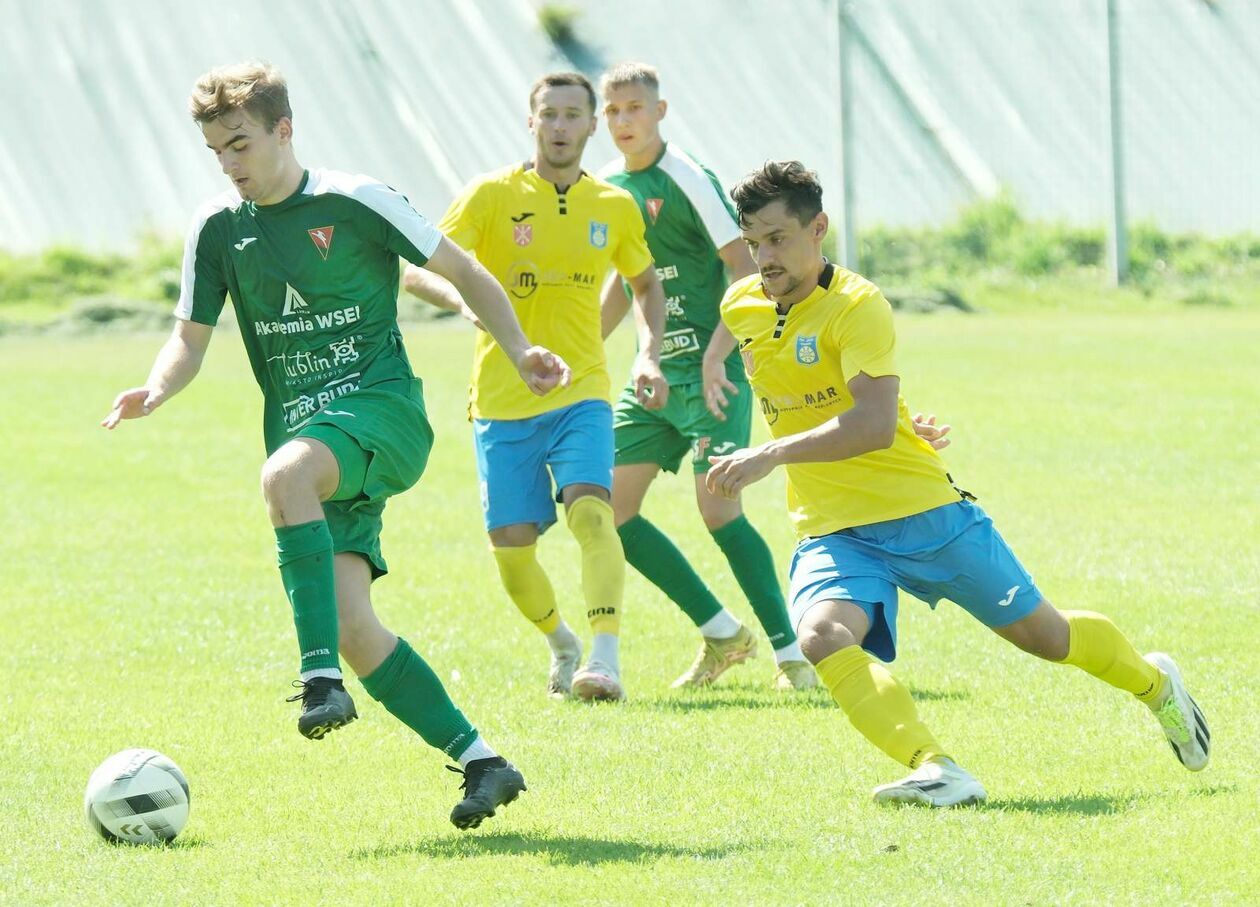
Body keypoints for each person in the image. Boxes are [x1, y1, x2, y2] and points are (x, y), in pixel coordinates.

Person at [102, 62, 570, 828]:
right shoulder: (218, 228)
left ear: (284, 129)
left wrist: (518, 350)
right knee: (356, 627)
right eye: (217, 150)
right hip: (316, 446)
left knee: (283, 475)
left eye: (241, 144)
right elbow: (187, 338)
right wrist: (156, 387)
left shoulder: (356, 200)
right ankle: (485, 760)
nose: (229, 163)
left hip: (383, 414)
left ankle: (317, 679)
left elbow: (466, 270)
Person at [706, 160, 1210, 806]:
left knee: (1047, 637)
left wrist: (774, 452)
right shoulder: (742, 304)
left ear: (819, 228)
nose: (763, 255)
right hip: (832, 526)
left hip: (923, 512)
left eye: (776, 238)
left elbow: (869, 423)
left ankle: (1155, 683)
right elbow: (810, 391)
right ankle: (936, 766)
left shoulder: (858, 304)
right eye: (752, 241)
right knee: (821, 635)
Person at [403, 72, 668, 702]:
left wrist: (648, 355)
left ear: (590, 125)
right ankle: (562, 643)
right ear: (531, 122)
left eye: (573, 115)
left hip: (582, 390)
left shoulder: (613, 205)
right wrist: (467, 303)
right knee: (513, 549)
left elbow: (646, 284)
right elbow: (417, 272)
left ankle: (604, 659)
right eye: (548, 114)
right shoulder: (490, 196)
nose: (559, 127)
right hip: (501, 398)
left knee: (592, 510)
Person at [595, 62, 817, 692]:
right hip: (653, 377)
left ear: (660, 112)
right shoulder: (608, 186)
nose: (623, 121)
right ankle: (723, 634)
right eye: (612, 112)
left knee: (718, 511)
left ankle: (790, 653)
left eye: (634, 108)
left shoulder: (688, 176)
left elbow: (744, 268)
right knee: (609, 509)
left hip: (711, 372)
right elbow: (626, 283)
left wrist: (721, 353)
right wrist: (580, 353)